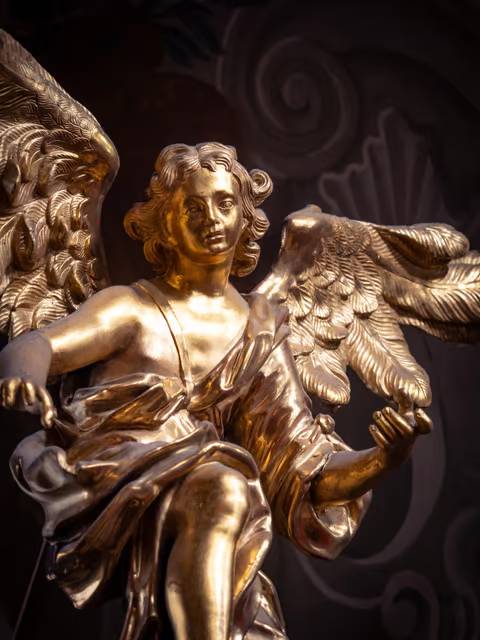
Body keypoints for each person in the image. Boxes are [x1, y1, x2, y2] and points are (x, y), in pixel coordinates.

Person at [0, 143, 431, 640]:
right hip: (106, 480)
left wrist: (383, 459)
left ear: (245, 217)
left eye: (225, 203)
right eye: (192, 207)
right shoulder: (132, 310)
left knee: (223, 491)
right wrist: (23, 375)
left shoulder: (260, 334)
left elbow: (302, 473)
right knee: (225, 485)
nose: (211, 219)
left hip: (204, 509)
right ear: (165, 224)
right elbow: (37, 344)